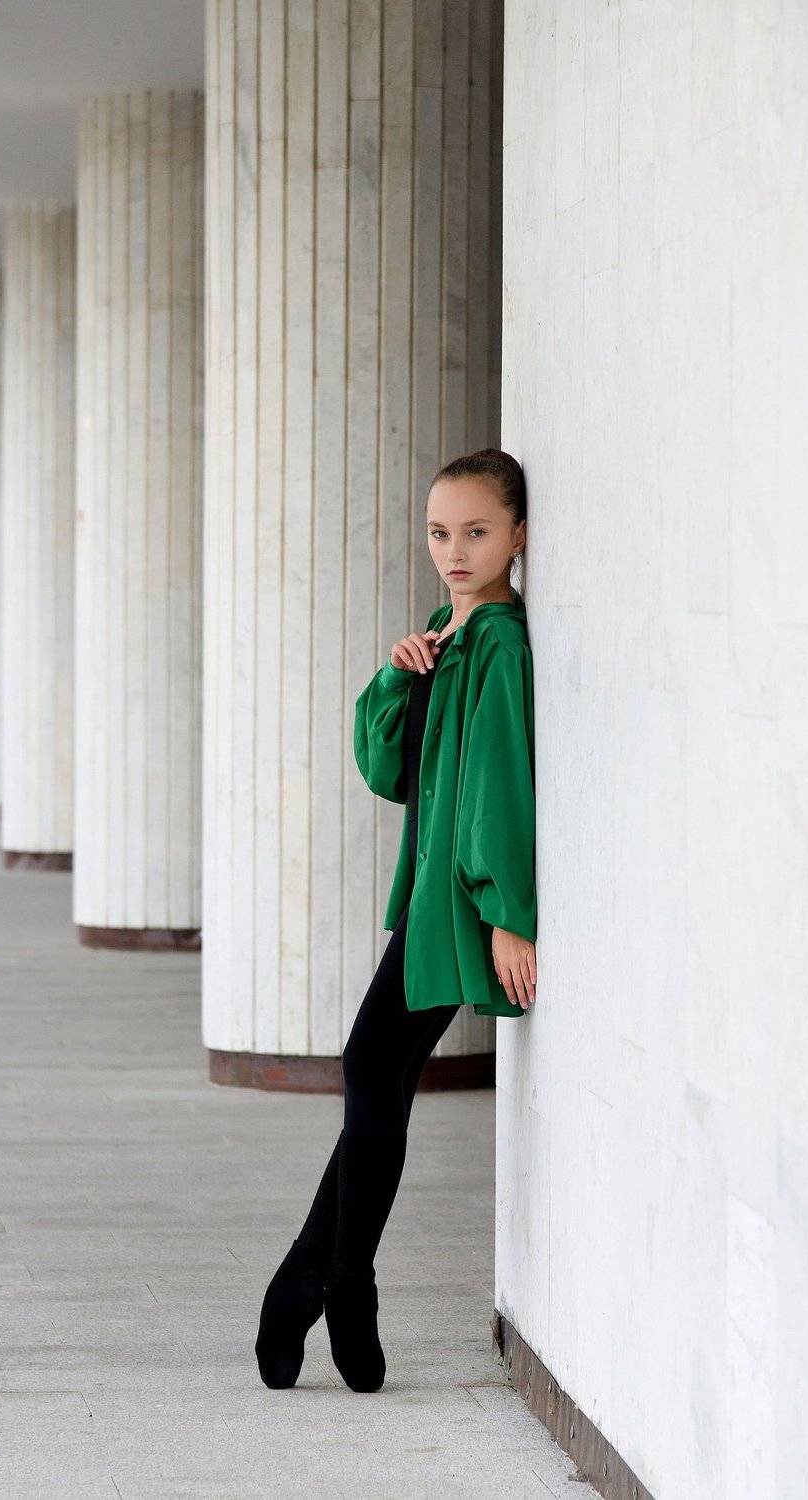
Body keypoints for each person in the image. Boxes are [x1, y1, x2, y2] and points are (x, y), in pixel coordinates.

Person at [255, 447, 538, 1394]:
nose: (455, 551)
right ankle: (314, 1280)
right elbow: (389, 773)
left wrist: (505, 913)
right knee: (378, 1073)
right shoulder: (443, 632)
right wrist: (397, 676)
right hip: (426, 893)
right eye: (439, 532)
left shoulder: (498, 643)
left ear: (518, 536)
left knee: (371, 1066)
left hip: (460, 901)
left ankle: (339, 1281)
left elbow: (498, 783)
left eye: (477, 532)